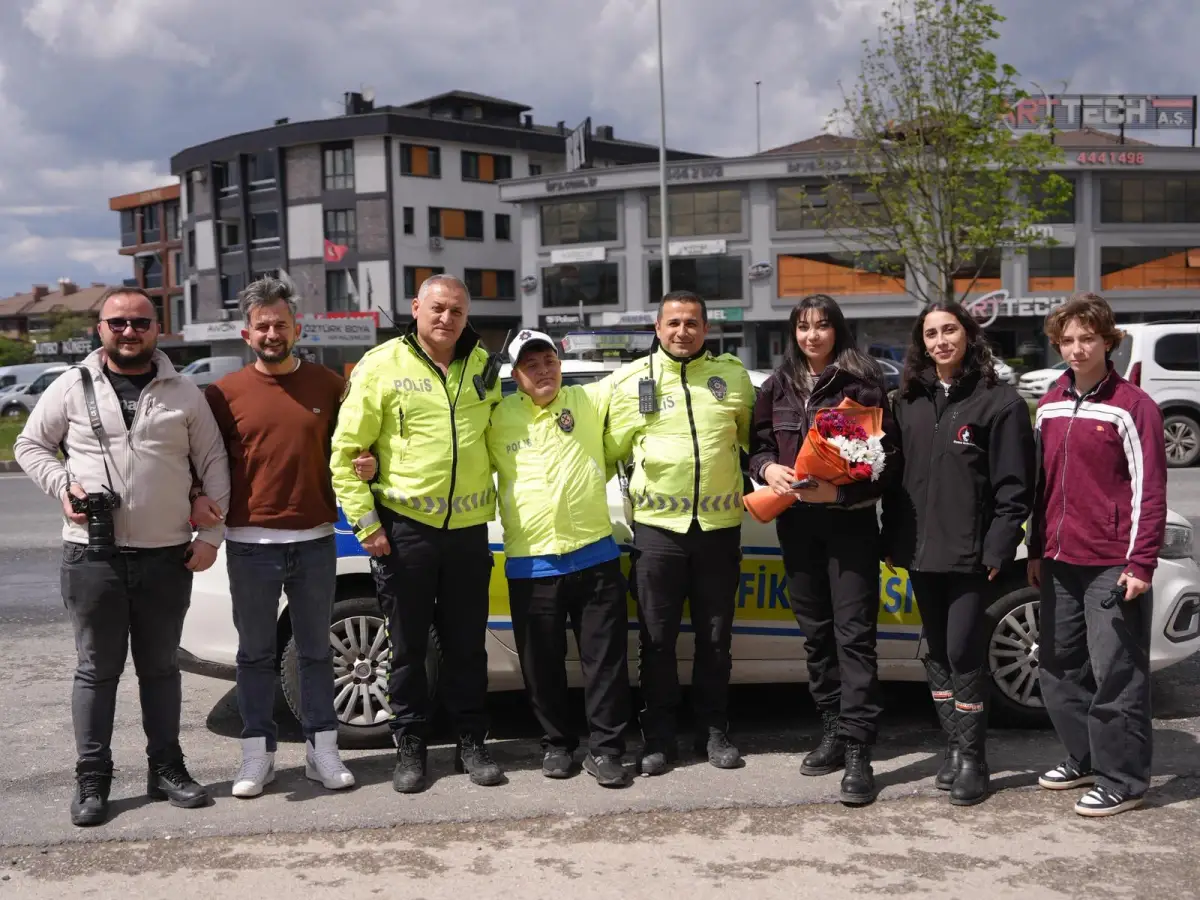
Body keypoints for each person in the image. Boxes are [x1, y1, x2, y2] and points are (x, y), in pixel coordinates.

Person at [14, 286, 230, 827]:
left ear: (157, 328)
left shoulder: (184, 391)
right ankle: (92, 779)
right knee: (96, 672)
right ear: (100, 328)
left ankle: (167, 771)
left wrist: (211, 537)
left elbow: (214, 461)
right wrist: (61, 484)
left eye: (140, 322)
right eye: (118, 323)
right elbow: (29, 445)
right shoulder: (70, 385)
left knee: (160, 670)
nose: (129, 331)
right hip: (93, 556)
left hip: (166, 556)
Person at [330, 274, 504, 794]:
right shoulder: (382, 365)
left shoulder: (484, 368)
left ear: (466, 315)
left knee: (467, 647)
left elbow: (502, 436)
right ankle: (410, 746)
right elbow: (346, 454)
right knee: (406, 650)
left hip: (469, 533)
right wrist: (369, 528)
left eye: (455, 310)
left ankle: (471, 743)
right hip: (406, 532)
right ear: (416, 308)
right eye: (437, 308)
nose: (446, 318)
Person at [205, 276, 361, 798]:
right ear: (246, 334)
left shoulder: (329, 386)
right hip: (249, 544)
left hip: (317, 539)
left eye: (280, 324)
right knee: (254, 655)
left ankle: (323, 751)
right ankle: (257, 756)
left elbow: (356, 448)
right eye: (262, 326)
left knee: (317, 652)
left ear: (297, 327)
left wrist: (369, 462)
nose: (272, 333)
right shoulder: (222, 395)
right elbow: (201, 465)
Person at [881, 301, 1034, 806]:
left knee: (966, 649)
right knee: (938, 652)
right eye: (931, 333)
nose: (941, 341)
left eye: (950, 330)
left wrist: (998, 548)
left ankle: (974, 760)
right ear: (921, 342)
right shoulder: (907, 401)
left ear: (968, 335)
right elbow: (895, 478)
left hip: (972, 555)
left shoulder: (1001, 403)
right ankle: (953, 746)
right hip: (919, 553)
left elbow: (1015, 489)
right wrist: (892, 538)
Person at [748, 293, 897, 806]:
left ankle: (859, 749)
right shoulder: (778, 384)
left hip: (850, 526)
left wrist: (843, 492)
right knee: (816, 635)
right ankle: (833, 729)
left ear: (838, 329)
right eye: (803, 326)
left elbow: (884, 465)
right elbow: (760, 445)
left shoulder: (864, 384)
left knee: (854, 637)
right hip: (797, 525)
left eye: (822, 326)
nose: (812, 335)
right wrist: (767, 469)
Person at [1028, 292, 1167, 817]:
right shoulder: (1050, 404)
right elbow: (1045, 487)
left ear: (1108, 341)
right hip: (1060, 562)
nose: (1077, 348)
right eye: (1067, 339)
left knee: (1118, 672)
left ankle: (1125, 779)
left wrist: (1140, 563)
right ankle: (1085, 756)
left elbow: (1149, 491)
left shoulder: (1134, 407)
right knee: (1059, 667)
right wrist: (1039, 548)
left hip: (1113, 562)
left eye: (1088, 338)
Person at [605, 290, 755, 775]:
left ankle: (713, 733)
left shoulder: (733, 378)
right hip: (656, 535)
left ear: (706, 329)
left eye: (692, 323)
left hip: (718, 531)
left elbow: (759, 444)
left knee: (716, 640)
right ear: (657, 326)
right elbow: (602, 453)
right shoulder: (631, 382)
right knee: (657, 642)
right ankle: (659, 739)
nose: (682, 331)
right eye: (673, 322)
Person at [485, 330, 632, 788]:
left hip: (594, 556)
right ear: (515, 375)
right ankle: (556, 746)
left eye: (548, 360)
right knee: (541, 666)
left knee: (605, 663)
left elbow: (642, 375)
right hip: (532, 564)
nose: (542, 370)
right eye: (531, 365)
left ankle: (606, 751)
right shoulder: (497, 418)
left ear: (560, 364)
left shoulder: (587, 401)